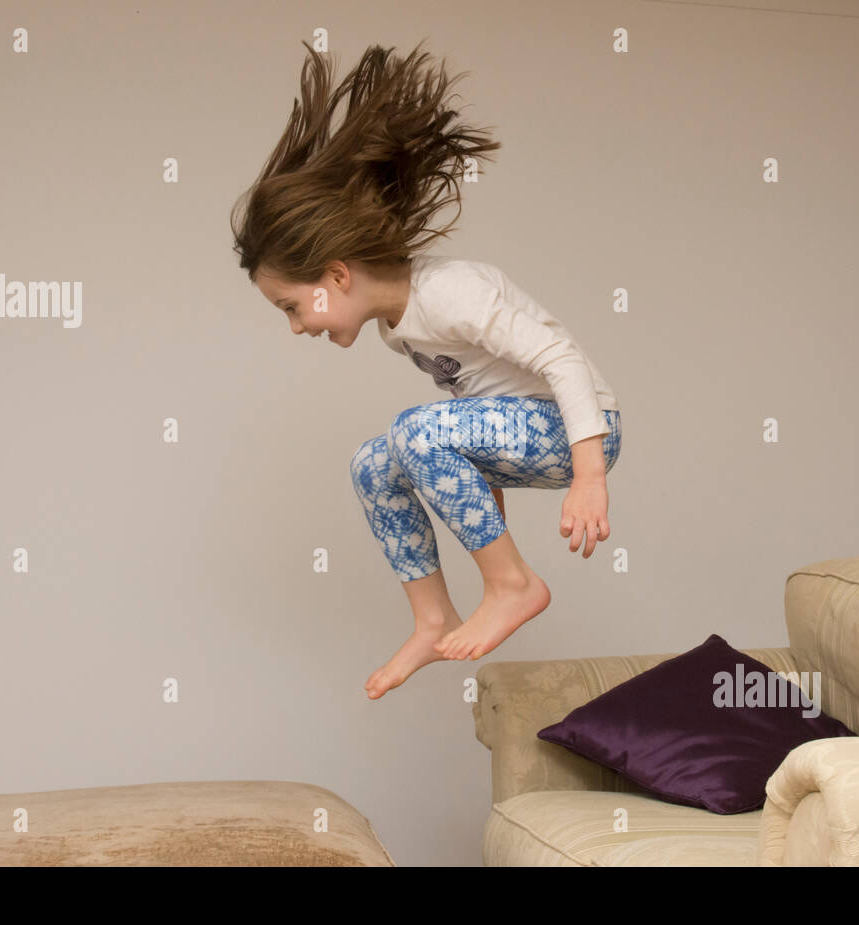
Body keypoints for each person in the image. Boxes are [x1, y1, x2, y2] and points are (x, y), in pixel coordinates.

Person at [231, 41, 621, 699]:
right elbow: (471, 422)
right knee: (373, 462)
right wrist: (481, 500)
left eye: (293, 307)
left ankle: (514, 585)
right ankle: (431, 615)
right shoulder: (397, 331)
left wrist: (589, 478)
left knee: (416, 431)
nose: (298, 327)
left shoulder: (451, 293)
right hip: (517, 432)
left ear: (335, 277)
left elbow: (561, 359)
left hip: (581, 426)